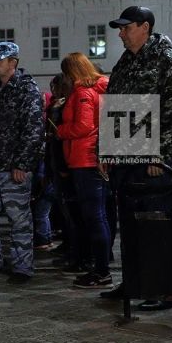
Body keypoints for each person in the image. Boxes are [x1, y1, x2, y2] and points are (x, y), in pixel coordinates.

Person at [101, 6, 172, 310]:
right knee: (130, 224)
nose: (121, 33)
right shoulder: (126, 61)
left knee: (156, 224)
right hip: (126, 157)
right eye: (121, 28)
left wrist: (161, 156)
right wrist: (108, 152)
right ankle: (136, 281)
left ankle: (163, 290)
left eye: (126, 27)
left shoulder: (166, 58)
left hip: (152, 162)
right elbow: (115, 107)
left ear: (145, 27)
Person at [0, 42, 44, 284]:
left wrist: (22, 164)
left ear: (13, 62)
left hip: (14, 169)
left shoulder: (26, 88)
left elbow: (33, 129)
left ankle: (22, 266)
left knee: (18, 218)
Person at [56, 52, 111, 288]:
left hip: (85, 159)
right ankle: (101, 266)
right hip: (89, 158)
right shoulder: (95, 89)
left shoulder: (83, 93)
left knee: (94, 216)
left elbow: (83, 126)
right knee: (98, 216)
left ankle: (101, 271)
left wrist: (60, 130)